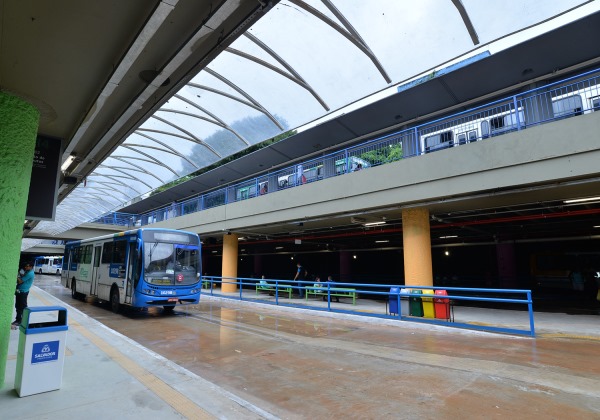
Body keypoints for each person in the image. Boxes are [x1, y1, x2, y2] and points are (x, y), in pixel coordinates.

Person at [13, 262, 35, 327]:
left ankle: (23, 321)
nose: (26, 267)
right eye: (25, 266)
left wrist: (16, 275)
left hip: (23, 292)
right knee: (18, 306)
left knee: (23, 307)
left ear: (31, 267)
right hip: (20, 291)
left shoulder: (30, 273)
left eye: (27, 266)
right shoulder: (27, 272)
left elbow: (20, 281)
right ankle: (18, 320)